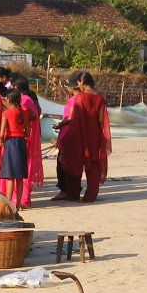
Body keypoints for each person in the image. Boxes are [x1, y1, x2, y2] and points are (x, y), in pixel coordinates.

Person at [59, 71, 111, 203]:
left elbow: (75, 119)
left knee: (73, 161)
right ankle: (90, 195)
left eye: (78, 83)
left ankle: (73, 193)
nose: (78, 86)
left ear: (82, 83)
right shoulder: (99, 98)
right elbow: (101, 120)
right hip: (95, 134)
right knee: (94, 164)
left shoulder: (80, 98)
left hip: (80, 133)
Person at [50, 72, 81, 201]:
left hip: (68, 133)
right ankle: (72, 190)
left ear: (74, 87)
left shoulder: (75, 99)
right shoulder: (81, 98)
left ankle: (65, 190)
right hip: (73, 133)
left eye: (68, 87)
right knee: (72, 163)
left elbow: (71, 117)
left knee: (63, 163)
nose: (67, 89)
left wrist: (60, 124)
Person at [0, 90, 29, 209]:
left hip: (10, 143)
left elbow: (1, 133)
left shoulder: (6, 114)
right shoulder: (25, 113)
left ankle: (8, 203)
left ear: (9, 100)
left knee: (10, 176)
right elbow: (27, 132)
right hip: (21, 143)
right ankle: (19, 203)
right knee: (19, 177)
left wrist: (1, 141)